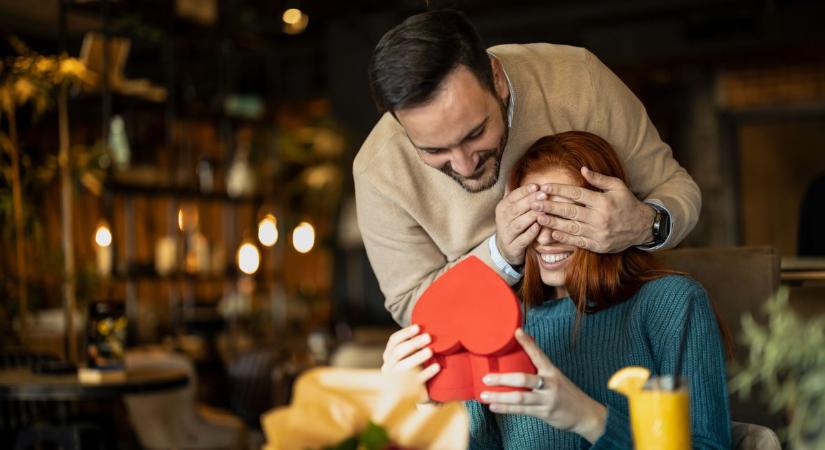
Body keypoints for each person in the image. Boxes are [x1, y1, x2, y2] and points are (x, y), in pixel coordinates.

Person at [381, 131, 731, 449]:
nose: (546, 237)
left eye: (567, 216)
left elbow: (708, 446)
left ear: (609, 215)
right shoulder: (495, 321)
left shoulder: (673, 303)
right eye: (534, 218)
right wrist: (418, 406)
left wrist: (587, 417)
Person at [354, 9, 701, 326]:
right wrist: (499, 254)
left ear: (497, 80)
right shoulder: (379, 172)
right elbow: (413, 308)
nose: (464, 164)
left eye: (475, 133)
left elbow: (675, 187)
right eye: (433, 149)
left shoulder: (579, 80)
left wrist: (642, 224)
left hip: (618, 315)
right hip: (486, 353)